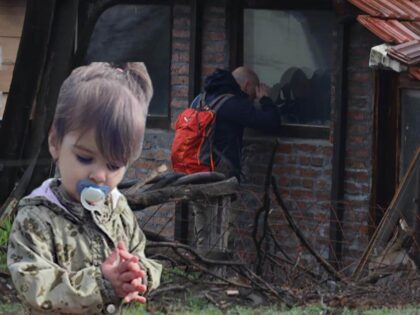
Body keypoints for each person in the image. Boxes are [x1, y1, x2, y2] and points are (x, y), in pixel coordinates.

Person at [7, 62, 162, 314]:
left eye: (113, 165)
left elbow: (139, 254)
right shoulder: (36, 218)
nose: (99, 176)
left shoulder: (117, 208)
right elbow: (35, 287)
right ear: (55, 142)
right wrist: (102, 282)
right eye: (85, 158)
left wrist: (136, 276)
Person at [198, 67, 281, 180]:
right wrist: (265, 99)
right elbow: (272, 122)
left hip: (196, 164)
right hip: (219, 171)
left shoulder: (200, 99)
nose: (252, 99)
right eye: (254, 94)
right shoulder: (235, 104)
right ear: (247, 85)